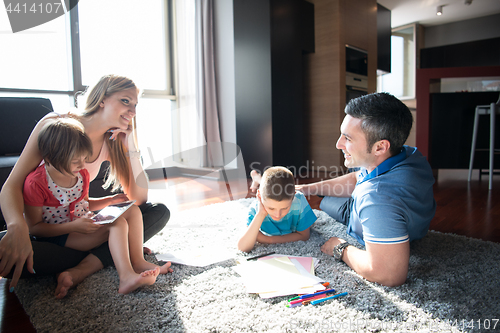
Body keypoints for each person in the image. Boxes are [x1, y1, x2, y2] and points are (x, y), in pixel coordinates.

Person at [0, 74, 171, 296]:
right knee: (6, 251)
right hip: (51, 229)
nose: (133, 112)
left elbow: (138, 200)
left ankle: (86, 266)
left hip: (82, 224)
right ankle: (111, 252)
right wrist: (17, 227)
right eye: (125, 101)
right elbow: (11, 185)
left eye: (136, 105)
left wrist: (131, 146)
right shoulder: (56, 128)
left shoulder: (114, 141)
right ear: (102, 99)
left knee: (157, 212)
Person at [296, 92, 436, 287]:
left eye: (348, 138)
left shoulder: (377, 198)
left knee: (322, 203)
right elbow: (357, 177)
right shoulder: (408, 153)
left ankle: (323, 201)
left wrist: (341, 248)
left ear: (380, 147)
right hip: (382, 213)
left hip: (368, 215)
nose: (338, 144)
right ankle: (315, 193)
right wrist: (307, 188)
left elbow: (390, 274)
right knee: (320, 196)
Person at [23, 118, 170, 295]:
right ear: (50, 157)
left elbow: (84, 203)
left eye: (84, 158)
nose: (82, 165)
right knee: (118, 224)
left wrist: (109, 200)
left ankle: (137, 259)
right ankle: (126, 277)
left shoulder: (81, 174)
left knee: (131, 210)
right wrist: (74, 226)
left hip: (82, 224)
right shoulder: (36, 183)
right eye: (75, 160)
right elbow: (35, 228)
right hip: (59, 235)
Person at [237, 167, 317, 252]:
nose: (277, 215)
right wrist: (261, 214)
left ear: (293, 196)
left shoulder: (299, 201)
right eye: (271, 208)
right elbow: (243, 247)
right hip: (263, 197)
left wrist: (268, 239)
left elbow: (304, 236)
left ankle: (258, 179)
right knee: (268, 187)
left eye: (285, 208)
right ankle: (257, 179)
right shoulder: (256, 207)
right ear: (259, 197)